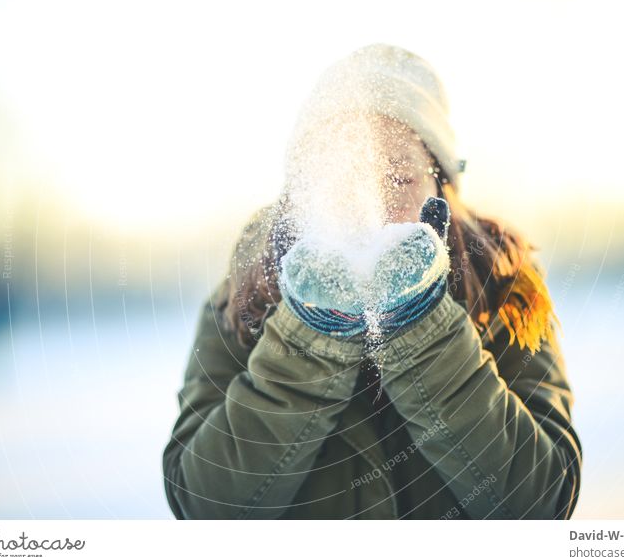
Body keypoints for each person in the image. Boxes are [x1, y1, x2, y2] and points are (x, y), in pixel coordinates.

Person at [162, 43, 582, 519]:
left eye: (399, 178)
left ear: (439, 188)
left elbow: (543, 502)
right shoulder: (242, 300)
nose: (368, 206)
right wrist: (313, 333)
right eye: (338, 179)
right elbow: (202, 504)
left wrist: (421, 329)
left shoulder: (505, 290)